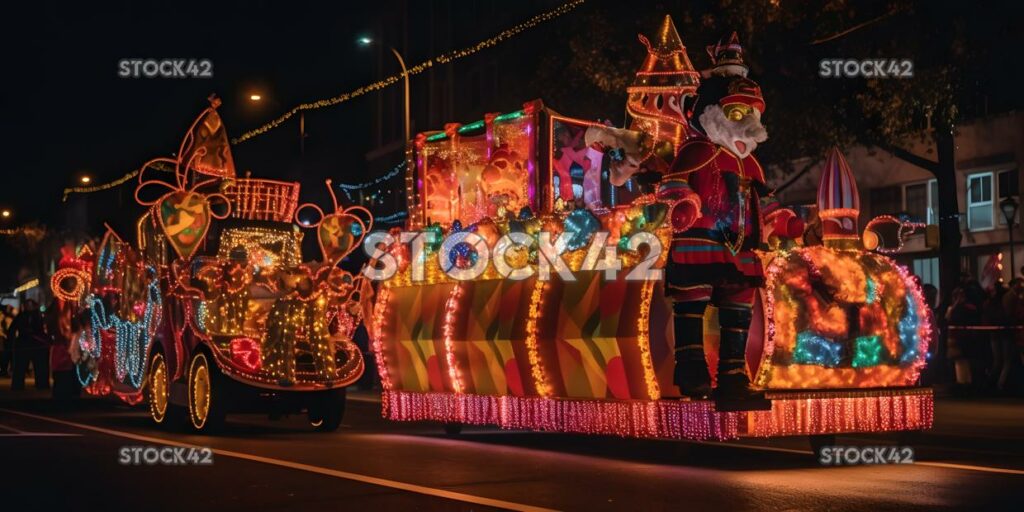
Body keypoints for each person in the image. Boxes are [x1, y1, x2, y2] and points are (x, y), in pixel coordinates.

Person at [9, 299, 50, 391]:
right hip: (24, 344)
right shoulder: (21, 316)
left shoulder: (40, 316)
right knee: (20, 367)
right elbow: (12, 329)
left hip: (37, 345)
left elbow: (45, 329)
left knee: (40, 366)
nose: (29, 307)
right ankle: (17, 386)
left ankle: (42, 385)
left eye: (31, 305)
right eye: (27, 305)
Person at [0, 305, 13, 377]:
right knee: (4, 355)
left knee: (5, 355)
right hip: (4, 338)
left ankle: (4, 370)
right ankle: (4, 370)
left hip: (7, 339)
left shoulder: (8, 318)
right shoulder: (5, 317)